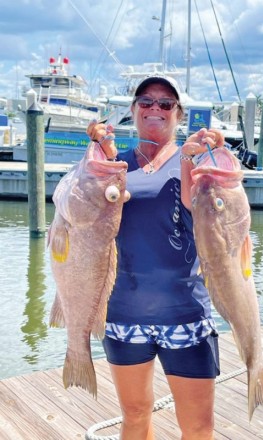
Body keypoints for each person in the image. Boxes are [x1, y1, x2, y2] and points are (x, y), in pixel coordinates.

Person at [87, 75, 225, 440]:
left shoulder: (197, 162)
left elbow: (210, 211)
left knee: (197, 427)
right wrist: (100, 149)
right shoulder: (113, 166)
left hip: (185, 314)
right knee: (134, 417)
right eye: (146, 101)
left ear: (179, 113)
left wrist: (200, 154)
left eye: (166, 103)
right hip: (122, 314)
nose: (155, 109)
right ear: (132, 110)